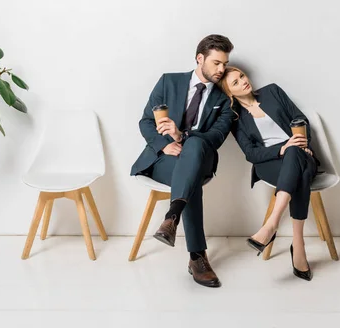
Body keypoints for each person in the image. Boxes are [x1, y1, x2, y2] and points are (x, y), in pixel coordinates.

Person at [130, 34, 235, 288]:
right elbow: (146, 121)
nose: (222, 69)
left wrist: (182, 135)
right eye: (216, 63)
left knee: (197, 145)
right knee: (191, 180)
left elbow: (216, 137)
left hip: (199, 156)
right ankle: (197, 256)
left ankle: (171, 218)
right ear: (200, 58)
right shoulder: (169, 81)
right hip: (164, 160)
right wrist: (166, 144)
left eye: (225, 63)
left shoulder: (224, 100)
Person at [220, 66, 318, 281]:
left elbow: (300, 119)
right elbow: (250, 153)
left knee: (294, 155)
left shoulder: (272, 92)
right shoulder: (235, 118)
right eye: (235, 82)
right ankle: (298, 247)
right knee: (295, 166)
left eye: (242, 76)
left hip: (301, 154)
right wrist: (281, 149)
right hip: (270, 163)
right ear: (229, 93)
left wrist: (302, 144)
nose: (243, 82)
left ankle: (271, 225)